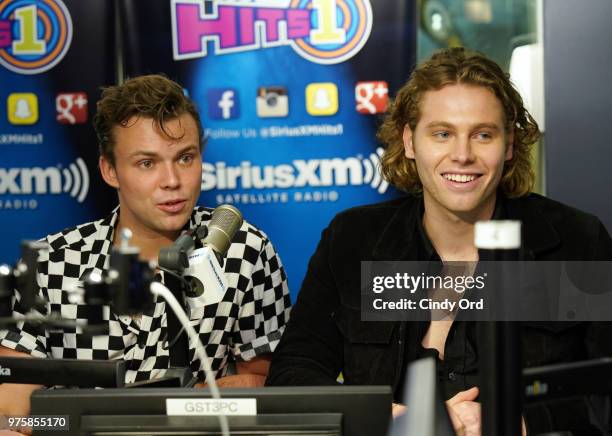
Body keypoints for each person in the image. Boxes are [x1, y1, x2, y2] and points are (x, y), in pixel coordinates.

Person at [266, 47, 612, 435]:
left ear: (510, 144)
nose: (462, 155)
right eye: (442, 133)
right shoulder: (353, 239)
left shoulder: (576, 241)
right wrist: (390, 418)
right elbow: (293, 374)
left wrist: (522, 423)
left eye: (483, 134)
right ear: (410, 141)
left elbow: (607, 393)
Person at [0, 75, 291, 421]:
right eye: (147, 163)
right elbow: (12, 404)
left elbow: (267, 383)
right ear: (110, 170)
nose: (172, 181)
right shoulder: (50, 261)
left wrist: (212, 400)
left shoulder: (243, 249)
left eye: (185, 158)